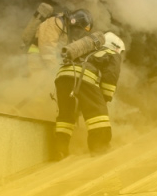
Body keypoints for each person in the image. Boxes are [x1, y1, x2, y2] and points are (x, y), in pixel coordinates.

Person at [53, 31, 124, 160]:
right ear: (117, 47)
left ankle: (60, 150)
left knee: (66, 114)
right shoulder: (112, 53)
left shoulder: (86, 51)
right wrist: (104, 98)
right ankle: (100, 147)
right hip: (83, 76)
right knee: (98, 113)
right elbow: (110, 77)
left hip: (62, 76)